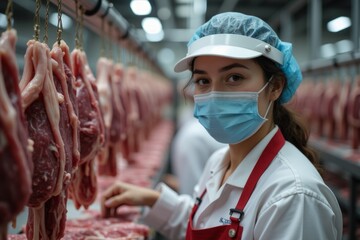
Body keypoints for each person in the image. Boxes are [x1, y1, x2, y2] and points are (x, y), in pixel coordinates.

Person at [101, 12, 343, 240]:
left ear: (275, 86)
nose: (215, 94)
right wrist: (154, 200)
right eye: (203, 81)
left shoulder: (294, 197)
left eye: (234, 78)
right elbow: (206, 221)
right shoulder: (218, 162)